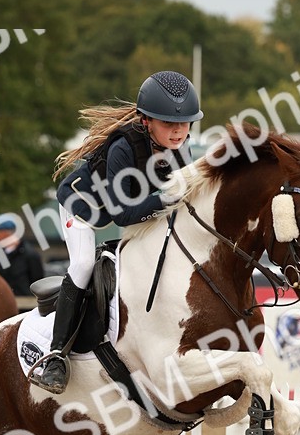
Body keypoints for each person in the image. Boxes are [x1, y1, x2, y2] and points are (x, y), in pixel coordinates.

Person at [33, 70, 203, 394]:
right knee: (83, 265)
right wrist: (169, 196)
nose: (179, 130)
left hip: (129, 208)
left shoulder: (181, 149)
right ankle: (55, 356)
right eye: (169, 123)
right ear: (146, 121)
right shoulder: (123, 148)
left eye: (185, 123)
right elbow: (123, 214)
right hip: (82, 208)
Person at [0, 220, 45, 296]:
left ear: (5, 233)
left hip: (26, 302)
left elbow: (38, 281)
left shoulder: (30, 254)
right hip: (5, 299)